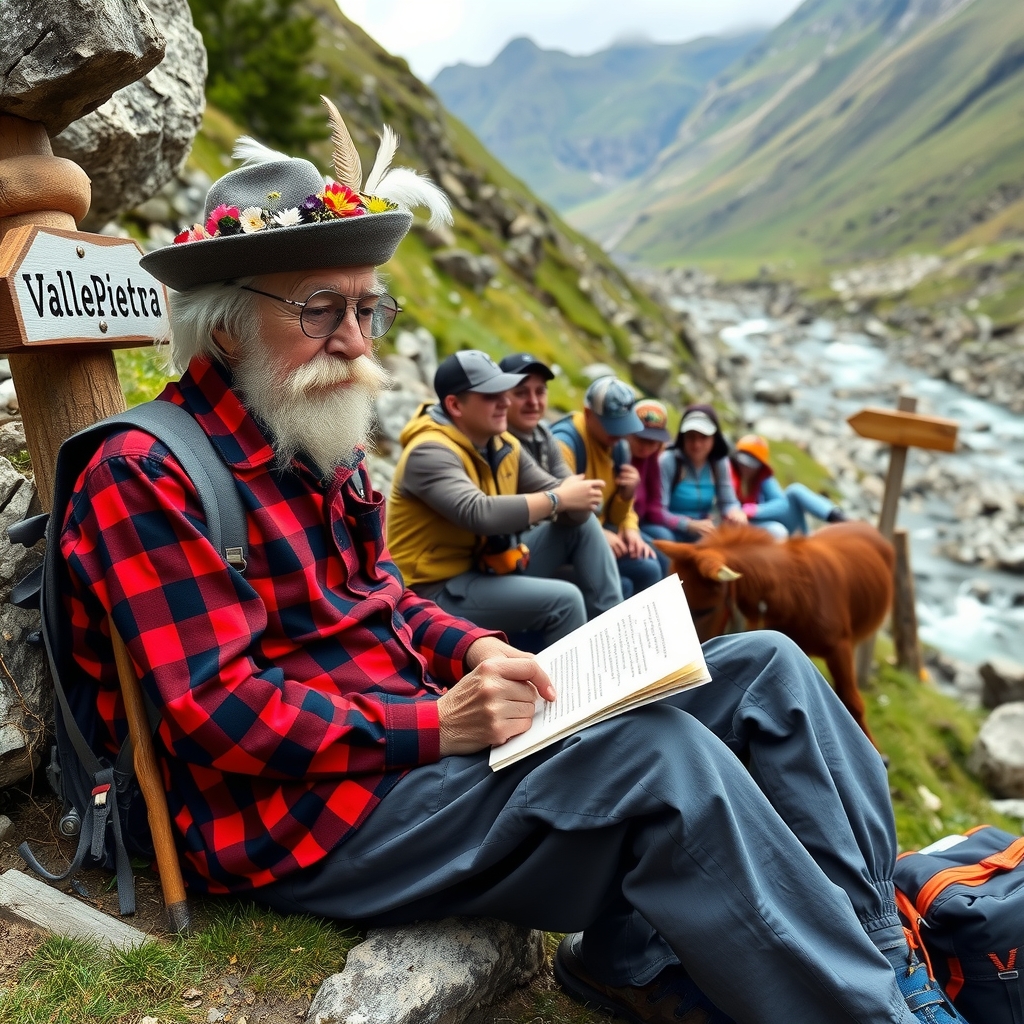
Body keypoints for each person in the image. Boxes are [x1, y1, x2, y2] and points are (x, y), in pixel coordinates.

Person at [63, 118, 968, 1024]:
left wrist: (479, 649)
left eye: (367, 308)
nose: (354, 340)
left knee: (765, 665)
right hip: (303, 821)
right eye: (319, 309)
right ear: (224, 326)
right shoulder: (148, 473)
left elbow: (382, 598)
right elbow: (215, 710)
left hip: (405, 755)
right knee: (660, 756)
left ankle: (881, 962)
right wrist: (434, 725)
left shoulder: (311, 436)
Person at [386, 349, 617, 647]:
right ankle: (571, 692)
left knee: (582, 529)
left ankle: (616, 637)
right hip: (432, 592)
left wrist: (576, 500)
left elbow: (574, 507)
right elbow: (478, 513)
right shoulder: (428, 452)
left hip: (486, 567)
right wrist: (560, 498)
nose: (505, 402)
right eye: (490, 395)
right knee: (566, 600)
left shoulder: (502, 444)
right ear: (455, 405)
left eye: (503, 392)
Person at [499, 351, 625, 616]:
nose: (533, 402)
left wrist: (571, 497)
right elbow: (574, 498)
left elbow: (586, 500)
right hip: (506, 554)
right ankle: (617, 623)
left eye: (540, 392)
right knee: (587, 531)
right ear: (501, 396)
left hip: (535, 542)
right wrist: (565, 497)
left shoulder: (543, 435)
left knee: (639, 562)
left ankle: (616, 621)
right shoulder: (500, 441)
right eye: (522, 393)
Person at [552, 377, 663, 598]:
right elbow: (558, 510)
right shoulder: (565, 444)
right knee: (631, 581)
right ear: (588, 413)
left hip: (600, 534)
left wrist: (628, 508)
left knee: (652, 563)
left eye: (624, 424)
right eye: (612, 425)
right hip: (569, 541)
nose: (620, 433)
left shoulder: (617, 446)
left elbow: (616, 513)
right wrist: (599, 533)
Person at [730, 434, 848, 539]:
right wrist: (740, 513)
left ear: (761, 466)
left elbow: (781, 504)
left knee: (795, 490)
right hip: (745, 526)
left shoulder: (763, 478)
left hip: (777, 523)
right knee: (777, 531)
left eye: (752, 463)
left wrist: (752, 510)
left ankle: (841, 519)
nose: (746, 467)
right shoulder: (728, 474)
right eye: (743, 460)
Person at [658, 404, 745, 540]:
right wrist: (688, 525)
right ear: (683, 437)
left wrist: (736, 513)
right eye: (691, 437)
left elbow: (728, 502)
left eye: (703, 437)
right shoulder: (668, 461)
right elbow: (658, 511)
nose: (696, 444)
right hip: (671, 531)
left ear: (714, 438)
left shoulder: (719, 463)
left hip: (705, 531)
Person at [627, 398, 675, 575]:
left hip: (642, 521)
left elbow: (655, 499)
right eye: (641, 439)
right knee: (657, 558)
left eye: (653, 442)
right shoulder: (620, 455)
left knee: (666, 538)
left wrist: (669, 520)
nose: (646, 447)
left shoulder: (651, 460)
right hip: (622, 524)